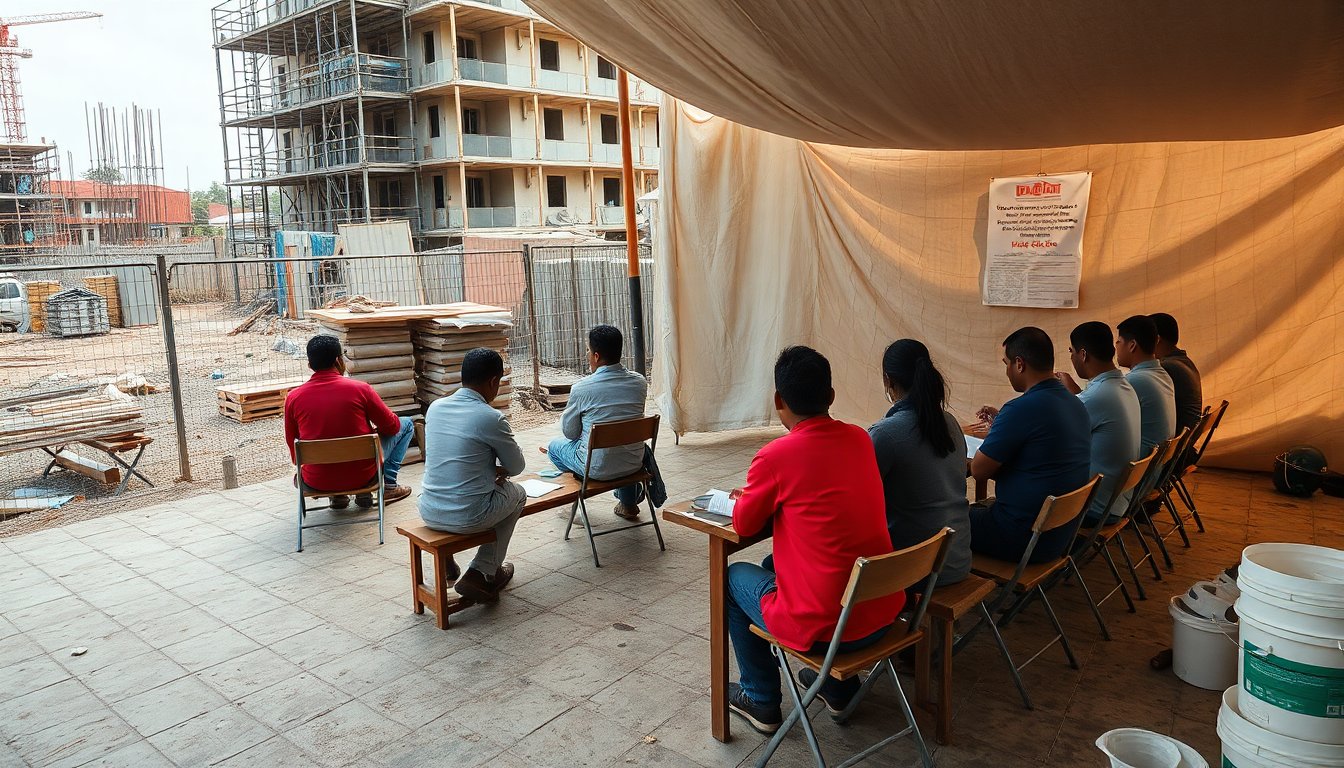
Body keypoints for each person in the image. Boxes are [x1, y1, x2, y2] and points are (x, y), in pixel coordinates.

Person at [726, 346, 900, 734]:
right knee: (775, 566)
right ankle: (839, 690)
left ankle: (760, 698)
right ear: (831, 396)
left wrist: (750, 497)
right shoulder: (859, 438)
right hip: (880, 613)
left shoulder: (775, 456)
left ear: (778, 400)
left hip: (826, 629)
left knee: (733, 576)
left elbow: (743, 522)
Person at [967, 327, 1090, 563]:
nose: (1007, 371)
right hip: (1061, 533)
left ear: (1020, 364)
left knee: (941, 521)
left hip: (1021, 536)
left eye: (1007, 363)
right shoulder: (1075, 403)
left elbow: (978, 470)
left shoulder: (1020, 408)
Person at [418, 348, 525, 603]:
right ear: (493, 382)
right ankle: (483, 571)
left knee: (468, 487)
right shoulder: (490, 417)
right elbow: (517, 466)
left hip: (429, 508)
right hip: (469, 515)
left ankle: (448, 561)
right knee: (518, 494)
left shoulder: (435, 408)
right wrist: (498, 470)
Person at [869, 339, 971, 585]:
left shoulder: (885, 434)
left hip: (915, 571)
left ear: (888, 380)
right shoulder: (950, 423)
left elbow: (858, 503)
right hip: (957, 559)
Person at [283, 334, 414, 507]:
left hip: (315, 481)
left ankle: (338, 496)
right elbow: (392, 427)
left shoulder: (293, 398)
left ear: (310, 365)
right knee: (406, 424)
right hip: (364, 476)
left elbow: (294, 449)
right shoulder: (361, 390)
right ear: (339, 361)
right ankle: (388, 485)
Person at [542, 325, 648, 520]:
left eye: (588, 352)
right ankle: (628, 503)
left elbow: (570, 433)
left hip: (596, 469)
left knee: (554, 447)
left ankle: (575, 506)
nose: (588, 356)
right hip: (634, 464)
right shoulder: (639, 382)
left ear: (596, 356)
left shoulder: (582, 388)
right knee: (620, 441)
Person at [1055, 322, 1142, 521]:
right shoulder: (1123, 387)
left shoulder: (1097, 396)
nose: (1072, 357)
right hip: (1117, 501)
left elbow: (1051, 435)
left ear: (1083, 354)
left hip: (1095, 507)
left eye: (1072, 351)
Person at [1116, 315, 1176, 454]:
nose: (1116, 346)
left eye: (1118, 341)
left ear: (1132, 345)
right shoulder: (1162, 375)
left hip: (1138, 468)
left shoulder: (1135, 380)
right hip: (1155, 466)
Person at [1149, 312, 1204, 433]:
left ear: (1157, 339)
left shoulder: (1167, 367)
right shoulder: (1183, 360)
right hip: (1185, 442)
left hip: (1177, 446)